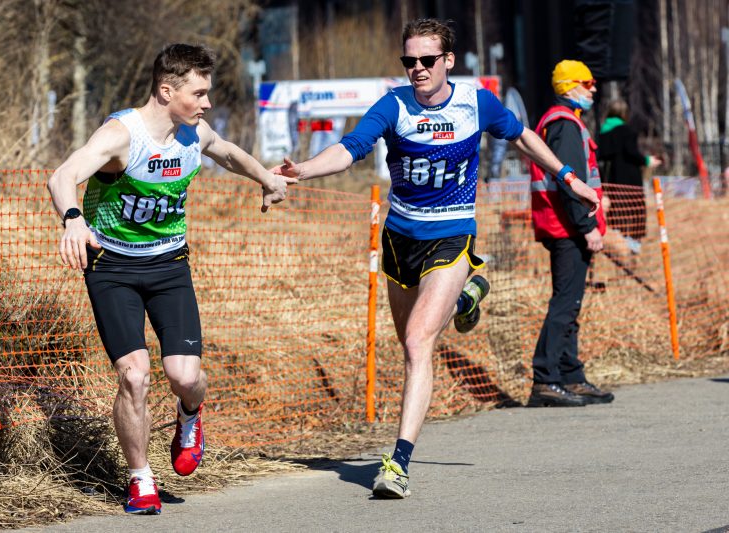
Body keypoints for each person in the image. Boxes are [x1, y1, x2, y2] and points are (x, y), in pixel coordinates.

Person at [272, 19, 600, 499]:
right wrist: (302, 170)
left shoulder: (475, 103)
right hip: (400, 239)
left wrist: (568, 177)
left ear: (447, 60)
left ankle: (398, 463)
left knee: (417, 344)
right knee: (408, 337)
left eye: (427, 60)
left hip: (451, 235)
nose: (418, 69)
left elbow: (524, 136)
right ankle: (468, 296)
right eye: (410, 61)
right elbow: (350, 150)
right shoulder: (394, 105)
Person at [47, 43, 297, 515]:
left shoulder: (192, 133)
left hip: (168, 268)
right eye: (199, 93)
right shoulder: (122, 135)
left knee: (184, 377)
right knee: (134, 377)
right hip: (114, 269)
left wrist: (266, 177)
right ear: (167, 90)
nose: (206, 103)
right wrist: (74, 219)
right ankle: (141, 479)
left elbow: (226, 152)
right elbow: (63, 176)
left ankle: (189, 413)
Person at [527, 59, 615, 408]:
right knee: (565, 303)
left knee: (571, 302)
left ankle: (570, 375)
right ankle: (546, 379)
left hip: (566, 225)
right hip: (567, 227)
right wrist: (587, 226)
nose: (593, 89)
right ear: (570, 86)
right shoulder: (563, 124)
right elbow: (571, 184)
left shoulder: (566, 122)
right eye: (588, 83)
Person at [597, 98, 662, 254]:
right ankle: (633, 243)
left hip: (610, 179)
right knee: (634, 208)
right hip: (629, 178)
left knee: (615, 208)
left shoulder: (602, 132)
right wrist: (647, 160)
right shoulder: (627, 131)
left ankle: (614, 238)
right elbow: (632, 153)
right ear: (624, 114)